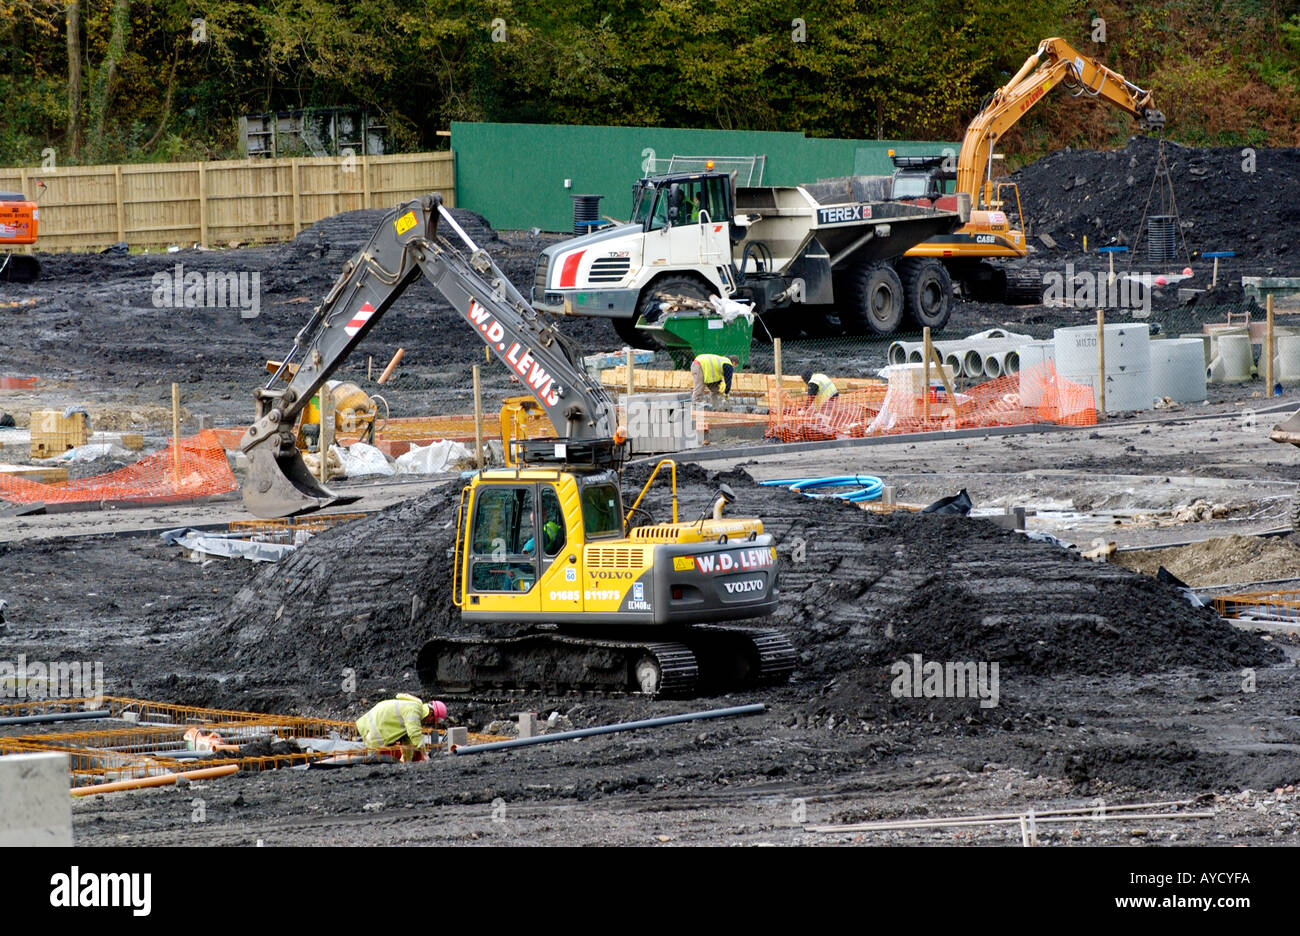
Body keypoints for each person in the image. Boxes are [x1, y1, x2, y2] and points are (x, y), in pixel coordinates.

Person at [356, 693, 447, 763]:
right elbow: (414, 734)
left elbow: (407, 742)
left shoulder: (413, 709)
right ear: (431, 714)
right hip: (373, 729)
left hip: (373, 726)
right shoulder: (414, 710)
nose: (430, 723)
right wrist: (424, 754)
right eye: (432, 720)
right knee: (374, 762)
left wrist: (407, 762)